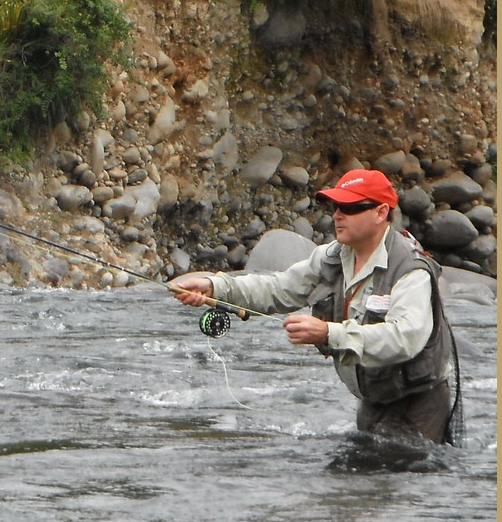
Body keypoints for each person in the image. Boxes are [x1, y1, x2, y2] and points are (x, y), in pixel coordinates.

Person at [173, 169, 460, 445]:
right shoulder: (331, 258)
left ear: (381, 213)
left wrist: (327, 333)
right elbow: (278, 288)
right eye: (335, 206)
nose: (337, 215)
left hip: (419, 404)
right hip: (373, 398)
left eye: (349, 208)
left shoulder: (411, 270)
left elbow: (404, 339)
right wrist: (216, 287)